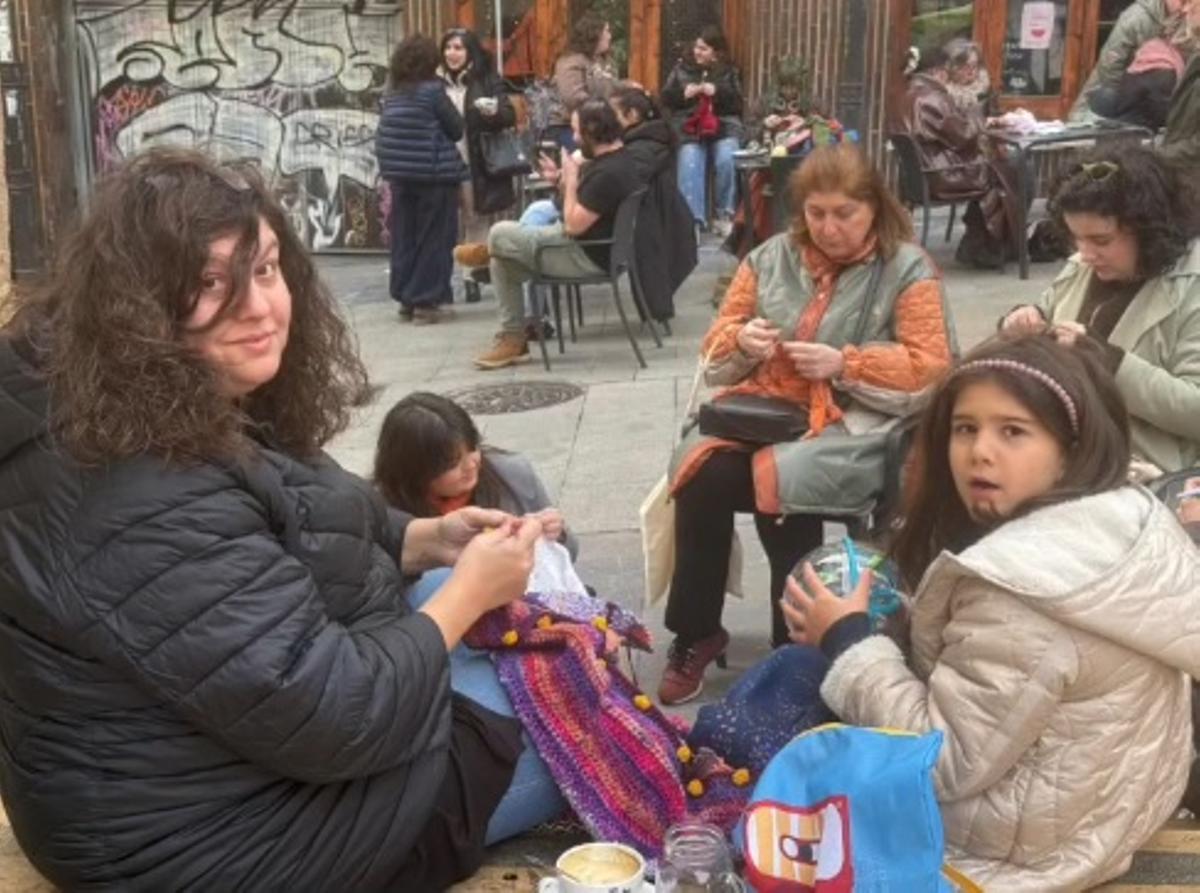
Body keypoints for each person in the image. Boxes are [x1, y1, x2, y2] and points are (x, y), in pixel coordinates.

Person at [0, 148, 566, 891]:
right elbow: (337, 715)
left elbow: (298, 516)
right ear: (137, 302)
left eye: (265, 269)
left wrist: (420, 538)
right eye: (211, 283)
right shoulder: (137, 489)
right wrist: (467, 595)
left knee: (518, 626)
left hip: (187, 774)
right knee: (570, 698)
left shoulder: (131, 393)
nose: (260, 307)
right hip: (215, 844)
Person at [784, 334, 1200, 890]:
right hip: (1106, 800)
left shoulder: (1019, 594)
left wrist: (850, 639)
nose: (981, 451)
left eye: (1013, 431)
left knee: (791, 701)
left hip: (1026, 843)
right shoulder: (1122, 516)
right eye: (965, 428)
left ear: (1069, 451)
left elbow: (941, 760)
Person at [656, 143, 957, 706]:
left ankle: (793, 635)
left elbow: (932, 367)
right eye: (816, 214)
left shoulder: (906, 267)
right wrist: (743, 344)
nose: (828, 227)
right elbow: (717, 347)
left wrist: (847, 363)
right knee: (702, 473)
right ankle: (697, 631)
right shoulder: (770, 257)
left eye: (844, 213)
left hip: (857, 423)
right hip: (765, 410)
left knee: (778, 478)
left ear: (874, 207)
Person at [1002, 145, 1200, 478]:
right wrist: (1023, 318)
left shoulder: (1192, 286)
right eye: (1076, 238)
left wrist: (1110, 362)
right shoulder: (1084, 262)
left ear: (1149, 230)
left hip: (1142, 470)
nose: (1086, 253)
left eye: (1101, 240)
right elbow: (1047, 311)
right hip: (1061, 450)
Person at [472, 100, 642, 370]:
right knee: (501, 263)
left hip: (584, 254)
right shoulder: (613, 160)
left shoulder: (609, 173)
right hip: (577, 244)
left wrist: (572, 178)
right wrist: (560, 181)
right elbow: (573, 212)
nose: (574, 139)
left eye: (576, 131)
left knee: (500, 232)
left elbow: (574, 226)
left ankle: (487, 249)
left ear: (593, 130)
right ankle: (513, 340)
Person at [374, 391, 578, 559]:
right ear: (415, 471)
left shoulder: (512, 474)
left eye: (473, 447)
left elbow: (569, 553)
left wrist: (556, 533)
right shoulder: (381, 514)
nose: (471, 464)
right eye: (453, 463)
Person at [375, 34, 467, 325]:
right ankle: (426, 301)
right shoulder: (433, 91)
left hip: (400, 176)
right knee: (434, 237)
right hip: (433, 175)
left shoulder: (392, 93)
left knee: (405, 236)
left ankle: (405, 297)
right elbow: (456, 129)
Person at [902, 44, 1016, 270]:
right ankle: (990, 244)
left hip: (932, 171)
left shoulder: (913, 93)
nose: (970, 73)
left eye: (974, 67)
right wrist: (977, 113)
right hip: (944, 175)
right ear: (942, 70)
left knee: (1005, 169)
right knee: (1010, 171)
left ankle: (981, 240)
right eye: (963, 67)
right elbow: (964, 136)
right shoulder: (932, 98)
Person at [609, 84, 696, 324]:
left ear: (632, 116)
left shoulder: (646, 143)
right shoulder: (647, 138)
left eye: (613, 114)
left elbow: (626, 179)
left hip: (652, 225)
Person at [438, 29, 517, 257]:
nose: (451, 53)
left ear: (470, 51)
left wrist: (492, 112)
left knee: (475, 219)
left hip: (476, 162)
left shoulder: (487, 79)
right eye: (448, 47)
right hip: (444, 163)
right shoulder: (436, 83)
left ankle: (472, 276)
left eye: (458, 48)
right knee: (448, 221)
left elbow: (508, 114)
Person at [661, 26, 745, 237]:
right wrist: (683, 94)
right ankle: (692, 222)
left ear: (716, 52)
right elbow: (665, 99)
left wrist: (717, 92)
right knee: (690, 159)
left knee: (727, 157)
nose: (697, 52)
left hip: (723, 126)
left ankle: (724, 215)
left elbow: (738, 104)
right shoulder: (681, 69)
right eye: (697, 47)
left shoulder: (728, 71)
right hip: (690, 127)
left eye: (704, 48)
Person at [1070, 0, 1190, 122]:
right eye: (1183, 1)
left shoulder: (1187, 16)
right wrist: (1126, 98)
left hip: (1152, 103)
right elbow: (1110, 66)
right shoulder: (1136, 18)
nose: (1186, 7)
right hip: (1112, 96)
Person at [548, 14, 617, 148]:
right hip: (569, 128)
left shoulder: (606, 62)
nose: (609, 36)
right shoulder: (570, 61)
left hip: (599, 127)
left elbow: (613, 88)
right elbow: (573, 97)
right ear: (594, 34)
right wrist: (607, 108)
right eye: (606, 31)